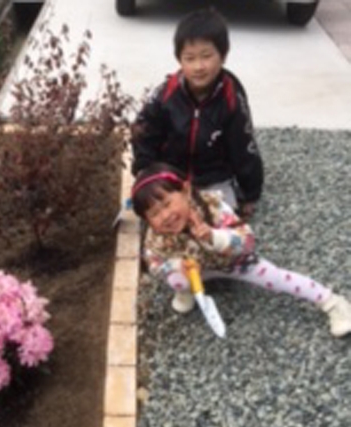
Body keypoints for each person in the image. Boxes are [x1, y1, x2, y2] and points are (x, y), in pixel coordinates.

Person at [132, 163, 351, 338]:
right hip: (196, 269)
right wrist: (174, 265)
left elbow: (247, 241)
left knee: (276, 278)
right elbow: (153, 263)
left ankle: (331, 302)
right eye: (154, 214)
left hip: (234, 262)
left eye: (168, 203)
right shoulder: (156, 235)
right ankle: (187, 289)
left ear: (186, 190)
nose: (165, 216)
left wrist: (213, 237)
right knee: (176, 279)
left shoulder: (213, 207)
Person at [131, 7, 263, 219]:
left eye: (206, 56)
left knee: (219, 222)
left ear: (223, 55)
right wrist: (144, 172)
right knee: (165, 220)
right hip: (171, 176)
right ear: (179, 60)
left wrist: (250, 192)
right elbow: (144, 132)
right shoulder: (166, 94)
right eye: (189, 58)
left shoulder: (232, 99)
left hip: (214, 178)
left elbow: (244, 147)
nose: (198, 66)